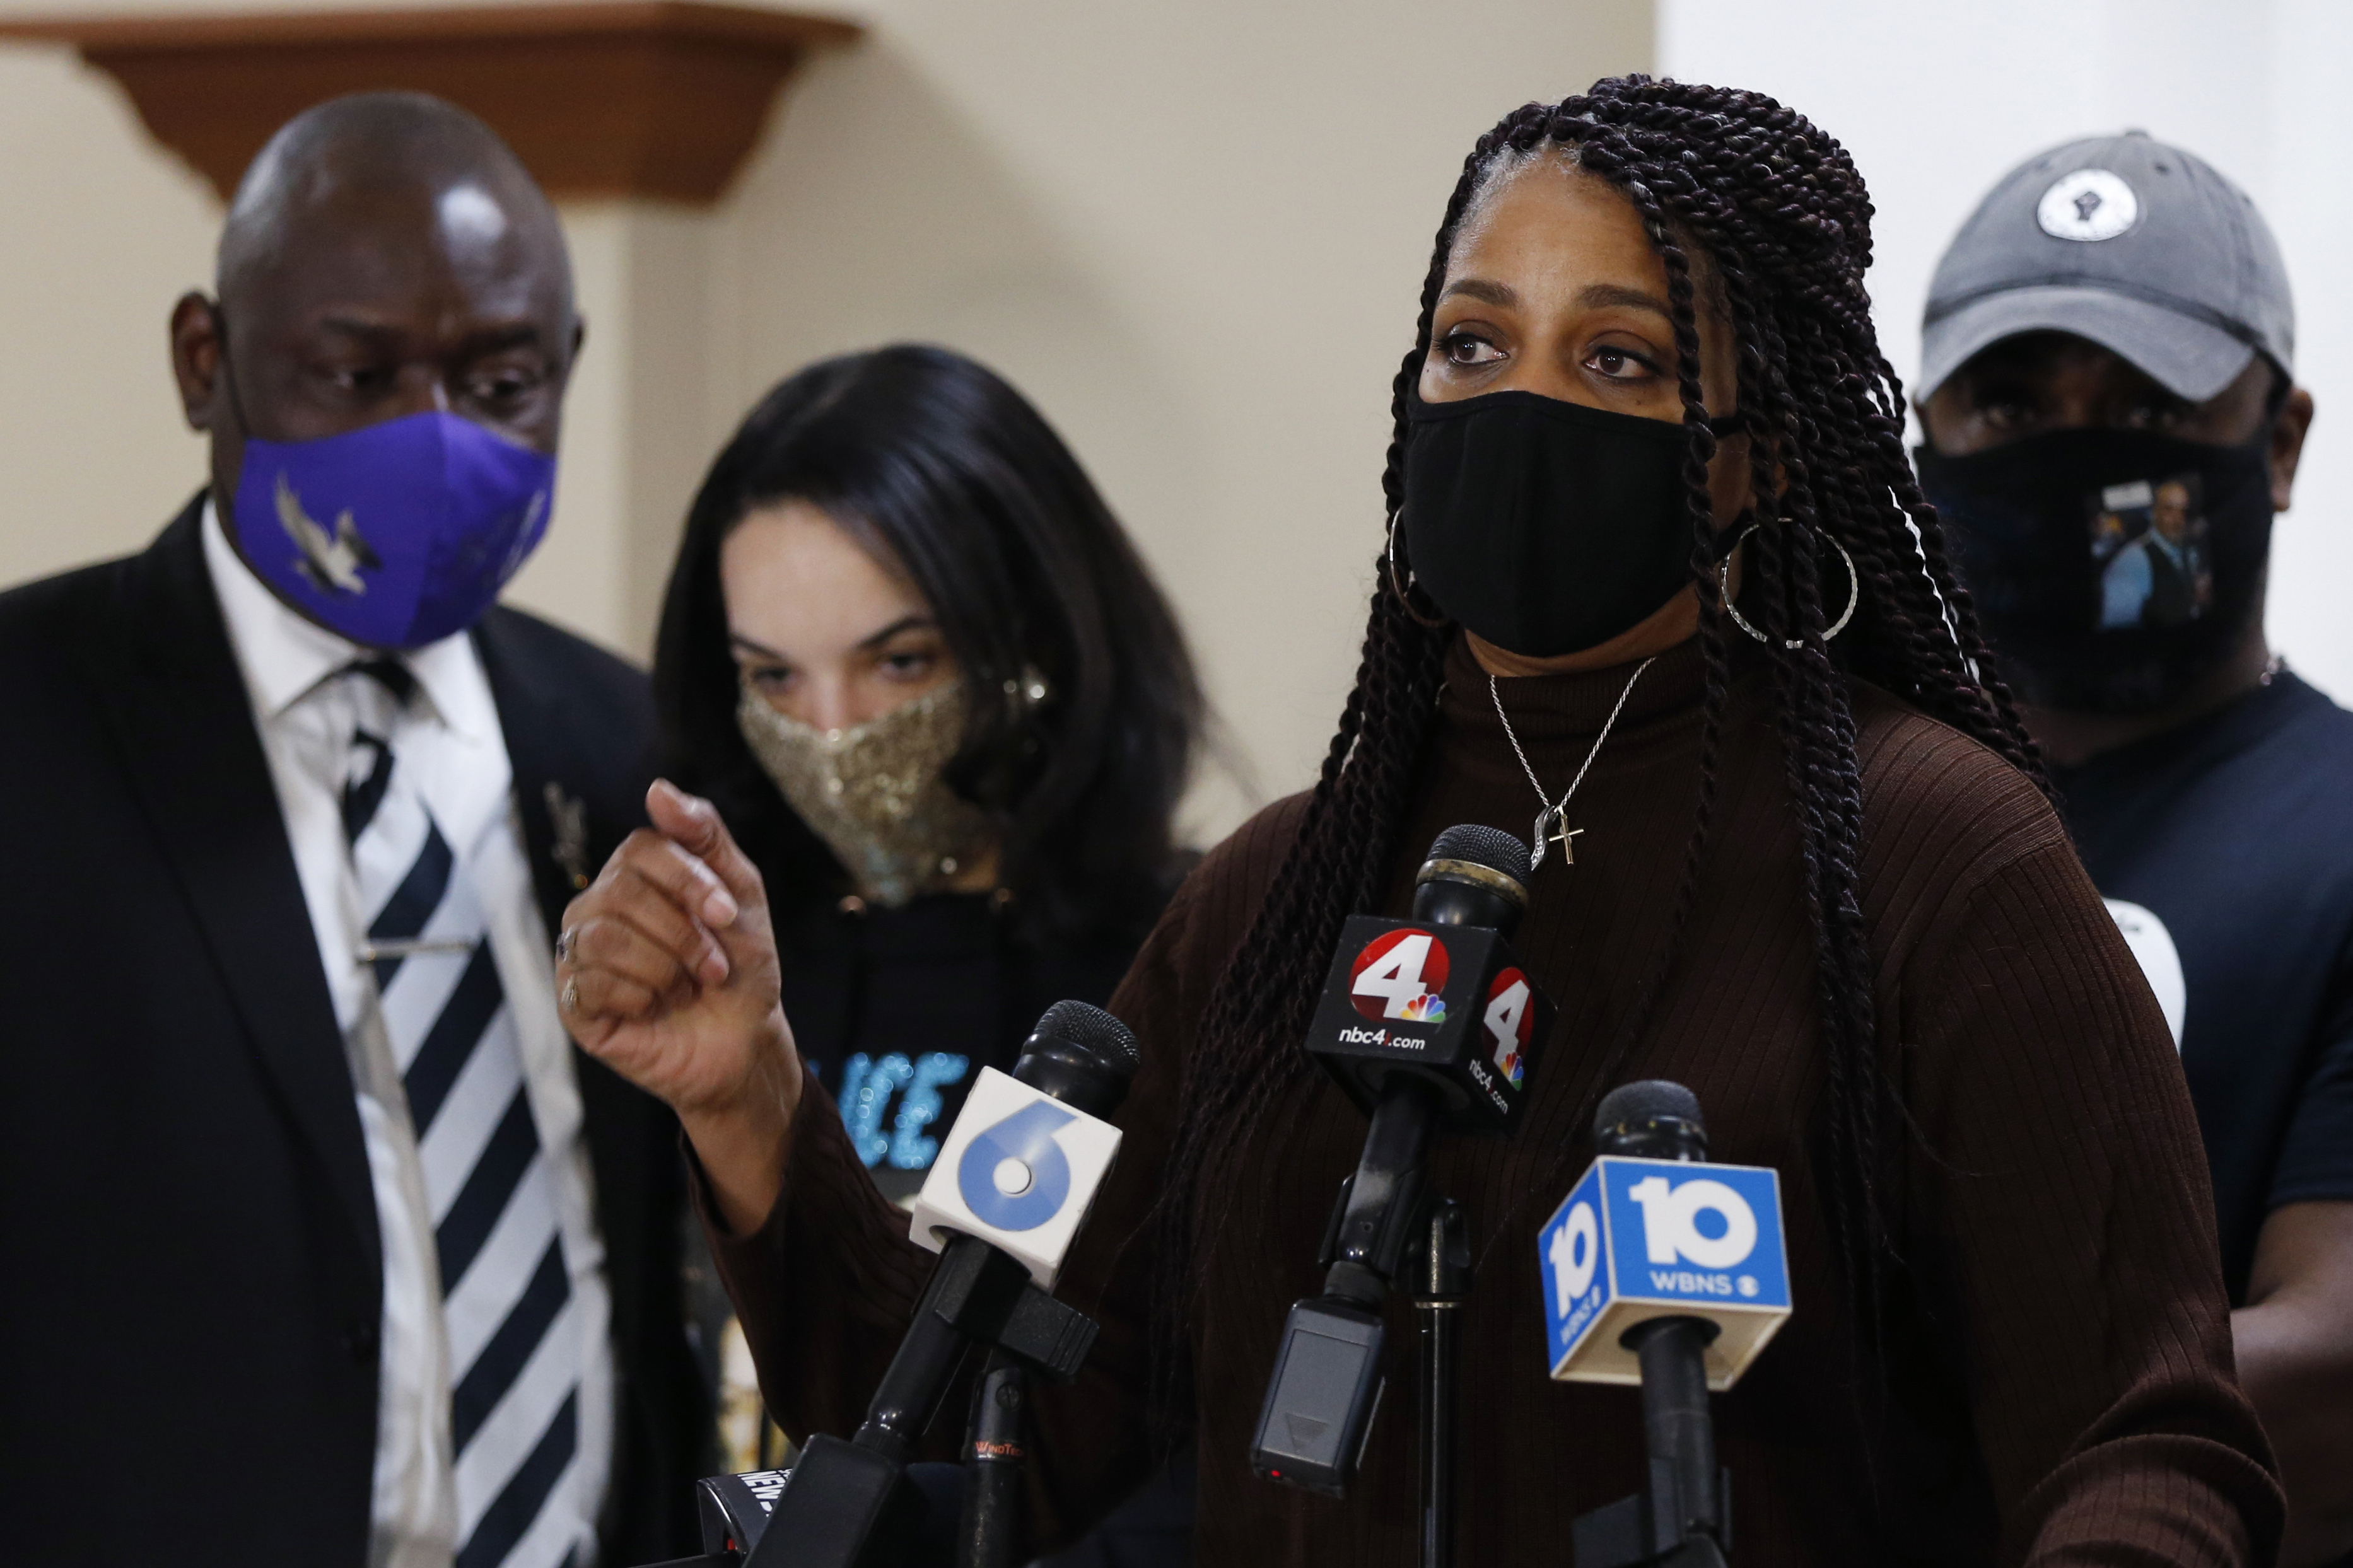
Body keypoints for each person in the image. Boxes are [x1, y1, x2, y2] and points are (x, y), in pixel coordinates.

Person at [553, 79, 2282, 1563]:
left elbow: (2142, 1450)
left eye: (1619, 357)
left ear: (1761, 448)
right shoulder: (1273, 899)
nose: (1524, 401)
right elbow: (999, 1416)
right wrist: (753, 1097)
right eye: (1473, 342)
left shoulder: (1934, 859)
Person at [0, 95, 706, 1565]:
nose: (435, 441)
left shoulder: (631, 741)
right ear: (209, 363)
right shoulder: (27, 722)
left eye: (501, 379)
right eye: (356, 372)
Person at [648, 345, 1203, 1563]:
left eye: (900, 662)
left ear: (1035, 638)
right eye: (774, 678)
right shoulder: (706, 970)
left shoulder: (1175, 965)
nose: (837, 739)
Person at [1915, 131, 2352, 1566]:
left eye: (2148, 411)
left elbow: (2330, 1377)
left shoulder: (2339, 831)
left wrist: (1853, 1420)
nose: (2073, 450)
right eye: (2012, 405)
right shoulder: (1838, 816)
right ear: (1927, 440)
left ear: (2278, 444)